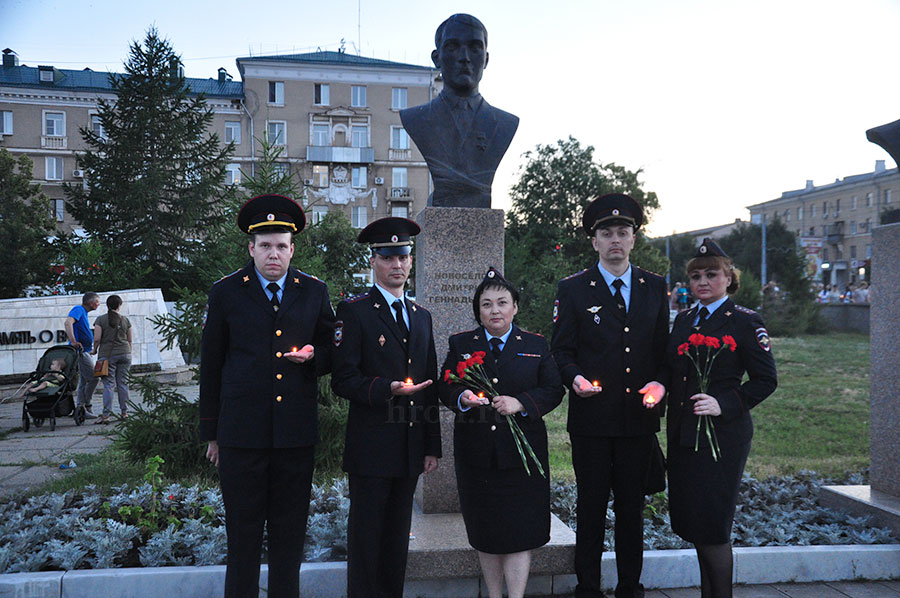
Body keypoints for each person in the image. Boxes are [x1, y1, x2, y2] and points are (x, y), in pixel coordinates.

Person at [199, 194, 336, 598]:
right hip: (241, 436)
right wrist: (213, 433)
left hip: (295, 435)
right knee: (242, 536)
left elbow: (333, 349)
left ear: (292, 249)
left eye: (280, 246)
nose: (272, 254)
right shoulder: (225, 293)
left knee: (289, 536)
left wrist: (313, 357)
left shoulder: (313, 291)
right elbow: (211, 366)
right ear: (251, 248)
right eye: (265, 246)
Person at [551, 193, 669, 598]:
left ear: (634, 239)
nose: (615, 239)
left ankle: (630, 587)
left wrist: (661, 385)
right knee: (591, 506)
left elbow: (663, 352)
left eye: (623, 232)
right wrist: (574, 378)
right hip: (592, 420)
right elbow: (561, 350)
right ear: (594, 241)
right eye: (606, 232)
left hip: (638, 419)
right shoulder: (574, 290)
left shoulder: (654, 287)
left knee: (631, 509)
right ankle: (588, 586)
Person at [331, 217, 441, 598]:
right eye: (388, 257)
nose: (397, 264)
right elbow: (342, 379)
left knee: (397, 541)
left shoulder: (422, 316)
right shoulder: (355, 311)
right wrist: (386, 389)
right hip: (371, 447)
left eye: (403, 256)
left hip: (410, 447)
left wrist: (431, 446)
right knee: (366, 539)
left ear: (411, 261)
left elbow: (430, 385)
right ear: (374, 262)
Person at [663, 238, 777, 598]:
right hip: (684, 435)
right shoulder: (684, 319)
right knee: (695, 523)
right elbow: (673, 371)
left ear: (728, 278)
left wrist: (723, 403)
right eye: (696, 276)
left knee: (713, 526)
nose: (703, 282)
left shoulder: (745, 322)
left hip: (721, 437)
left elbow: (766, 380)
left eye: (712, 274)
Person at [439, 267, 563, 598]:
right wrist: (462, 398)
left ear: (515, 307)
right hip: (477, 454)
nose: (495, 311)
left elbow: (553, 389)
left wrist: (521, 403)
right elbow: (445, 386)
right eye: (487, 304)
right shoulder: (462, 343)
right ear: (478, 310)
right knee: (486, 530)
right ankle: (494, 595)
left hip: (522, 457)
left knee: (520, 530)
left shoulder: (535, 345)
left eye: (502, 303)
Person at [400, 13, 519, 208]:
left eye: (474, 48)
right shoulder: (416, 119)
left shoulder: (506, 124)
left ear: (486, 59)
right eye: (453, 47)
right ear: (436, 58)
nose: (464, 58)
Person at [92, 294, 133, 423]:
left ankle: (106, 415)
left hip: (107, 355)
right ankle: (124, 413)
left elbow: (97, 338)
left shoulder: (100, 319)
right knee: (123, 384)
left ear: (107, 305)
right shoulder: (126, 320)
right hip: (125, 353)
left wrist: (94, 350)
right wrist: (128, 351)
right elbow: (130, 339)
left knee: (109, 385)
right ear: (119, 306)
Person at [65, 292, 100, 419]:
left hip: (85, 350)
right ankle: (86, 404)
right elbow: (68, 322)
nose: (98, 304)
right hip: (80, 351)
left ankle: (81, 408)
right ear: (91, 303)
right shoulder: (78, 309)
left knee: (84, 381)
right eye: (97, 302)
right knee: (94, 378)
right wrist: (73, 341)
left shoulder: (83, 312)